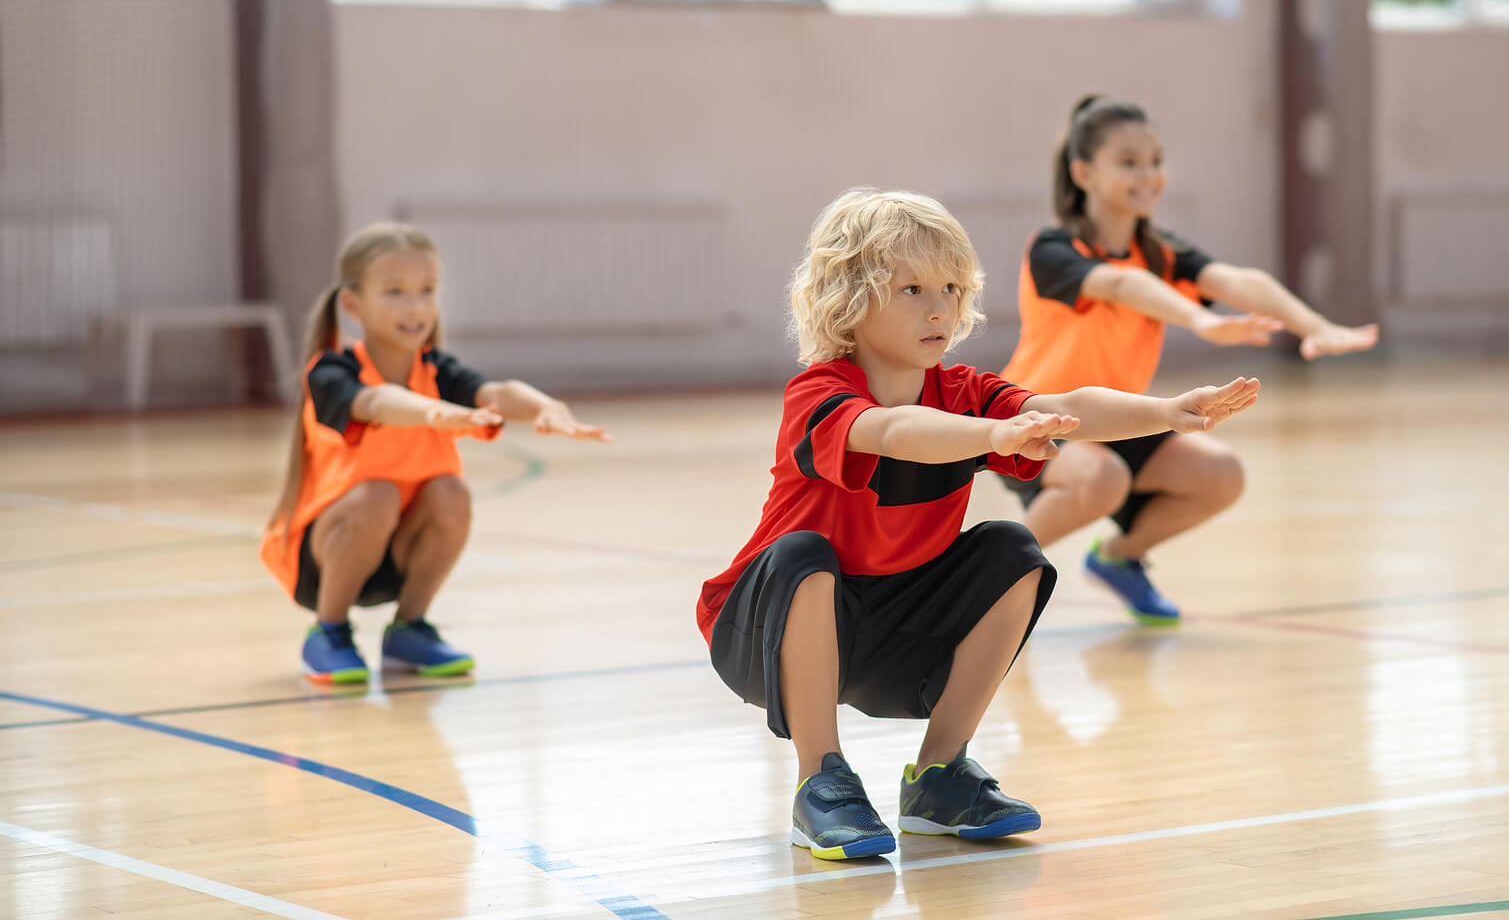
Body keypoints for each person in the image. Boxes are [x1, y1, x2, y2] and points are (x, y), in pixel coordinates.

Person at [696, 189, 1259, 859]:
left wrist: (1167, 410)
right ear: (849, 298)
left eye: (953, 287)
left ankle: (940, 776)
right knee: (802, 554)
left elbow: (1071, 404)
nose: (940, 307)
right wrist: (994, 431)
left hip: (884, 636)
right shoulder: (818, 394)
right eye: (911, 288)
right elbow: (898, 430)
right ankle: (822, 781)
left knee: (1012, 548)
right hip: (762, 629)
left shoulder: (965, 391)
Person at [999, 95, 1377, 625]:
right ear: (1083, 172)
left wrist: (1314, 326)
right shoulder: (1053, 248)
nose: (1148, 174)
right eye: (1129, 161)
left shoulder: (1163, 253)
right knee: (1101, 480)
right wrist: (1199, 320)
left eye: (1155, 161)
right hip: (1035, 418)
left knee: (1222, 475)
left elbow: (1239, 281)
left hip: (1118, 421)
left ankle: (1119, 559)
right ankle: (987, 584)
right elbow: (1123, 284)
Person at [261, 222, 608, 684]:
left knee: (450, 492)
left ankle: (409, 630)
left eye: (427, 290)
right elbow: (376, 401)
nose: (416, 306)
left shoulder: (436, 370)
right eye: (395, 291)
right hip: (324, 556)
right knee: (377, 494)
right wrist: (434, 412)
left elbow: (496, 393)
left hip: (398, 551)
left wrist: (546, 406)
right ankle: (328, 633)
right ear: (351, 303)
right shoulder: (331, 371)